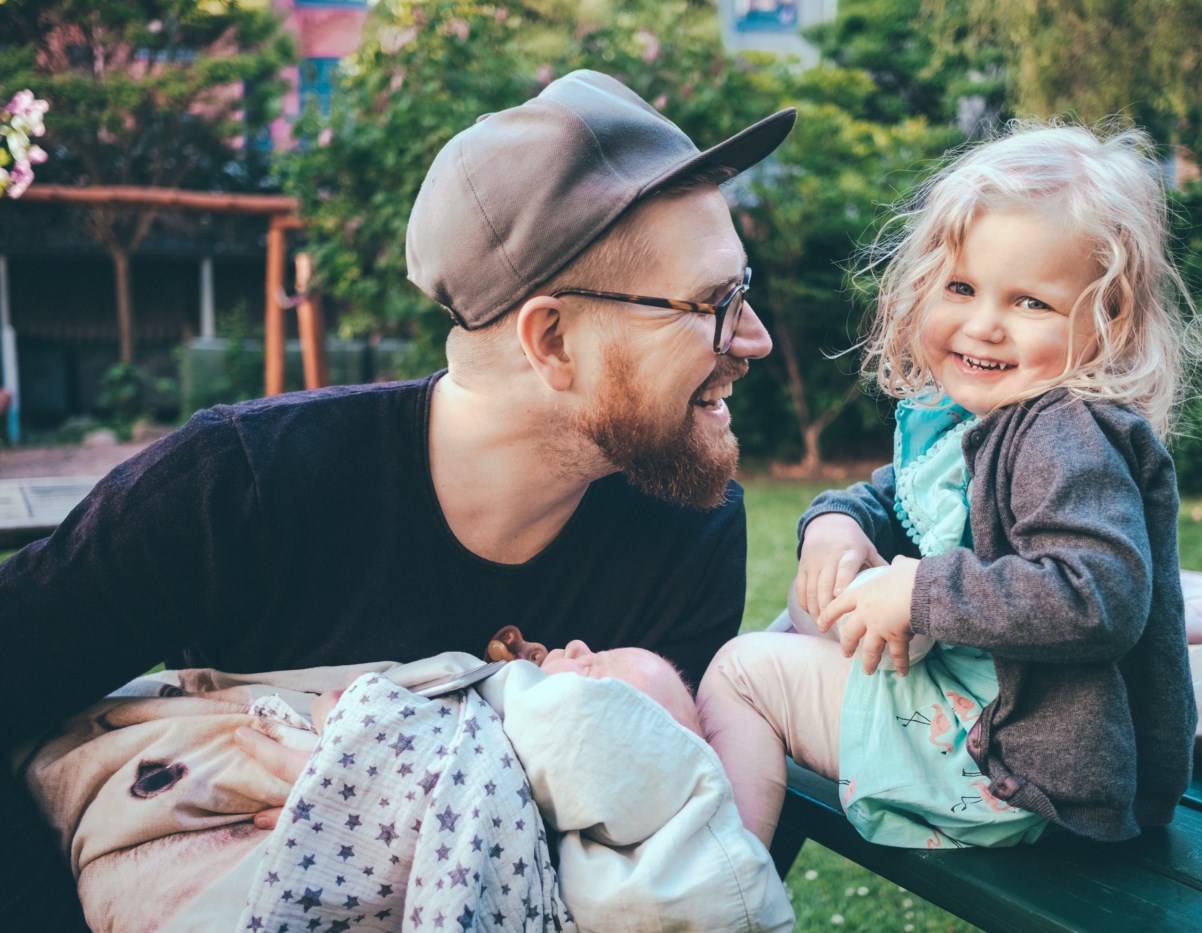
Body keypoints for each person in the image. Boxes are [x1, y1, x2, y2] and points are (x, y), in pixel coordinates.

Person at [1, 69, 795, 925]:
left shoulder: (687, 531)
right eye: (715, 301)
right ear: (553, 340)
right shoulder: (240, 486)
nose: (755, 336)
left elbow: (662, 852)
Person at [698, 123, 1202, 850]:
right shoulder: (978, 421)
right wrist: (835, 526)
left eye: (1030, 302)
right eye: (962, 287)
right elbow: (891, 498)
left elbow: (1098, 594)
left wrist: (919, 595)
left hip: (1023, 769)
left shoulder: (1064, 432)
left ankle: (724, 884)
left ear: (1106, 321)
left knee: (741, 672)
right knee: (814, 600)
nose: (984, 324)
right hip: (998, 715)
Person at [24, 646, 794, 931]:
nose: (580, 647)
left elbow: (581, 736)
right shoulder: (472, 688)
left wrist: (385, 764)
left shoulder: (586, 733)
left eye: (600, 667)